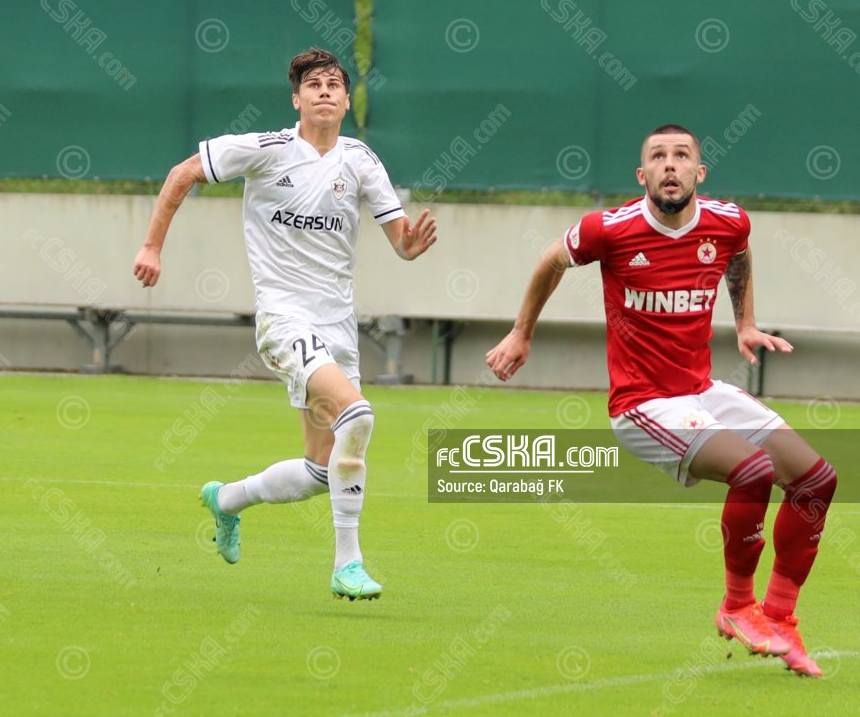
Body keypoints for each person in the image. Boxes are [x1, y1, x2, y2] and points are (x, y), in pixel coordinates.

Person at [486, 125, 835, 676]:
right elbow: (551, 261)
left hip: (700, 389)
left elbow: (738, 254)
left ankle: (782, 620)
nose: (669, 165)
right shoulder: (609, 229)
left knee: (818, 481)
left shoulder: (728, 221)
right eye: (657, 157)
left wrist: (744, 324)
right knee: (754, 471)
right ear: (641, 175)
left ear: (700, 173)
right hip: (642, 405)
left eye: (681, 157)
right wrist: (521, 333)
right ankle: (737, 607)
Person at [134, 48, 436, 600]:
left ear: (346, 101)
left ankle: (225, 500)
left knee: (321, 471)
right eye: (313, 84)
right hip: (284, 319)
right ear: (296, 99)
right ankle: (349, 564)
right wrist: (152, 246)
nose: (325, 91)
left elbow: (399, 238)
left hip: (339, 327)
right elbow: (183, 173)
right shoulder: (266, 149)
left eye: (334, 84)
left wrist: (410, 247)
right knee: (359, 417)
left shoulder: (361, 160)